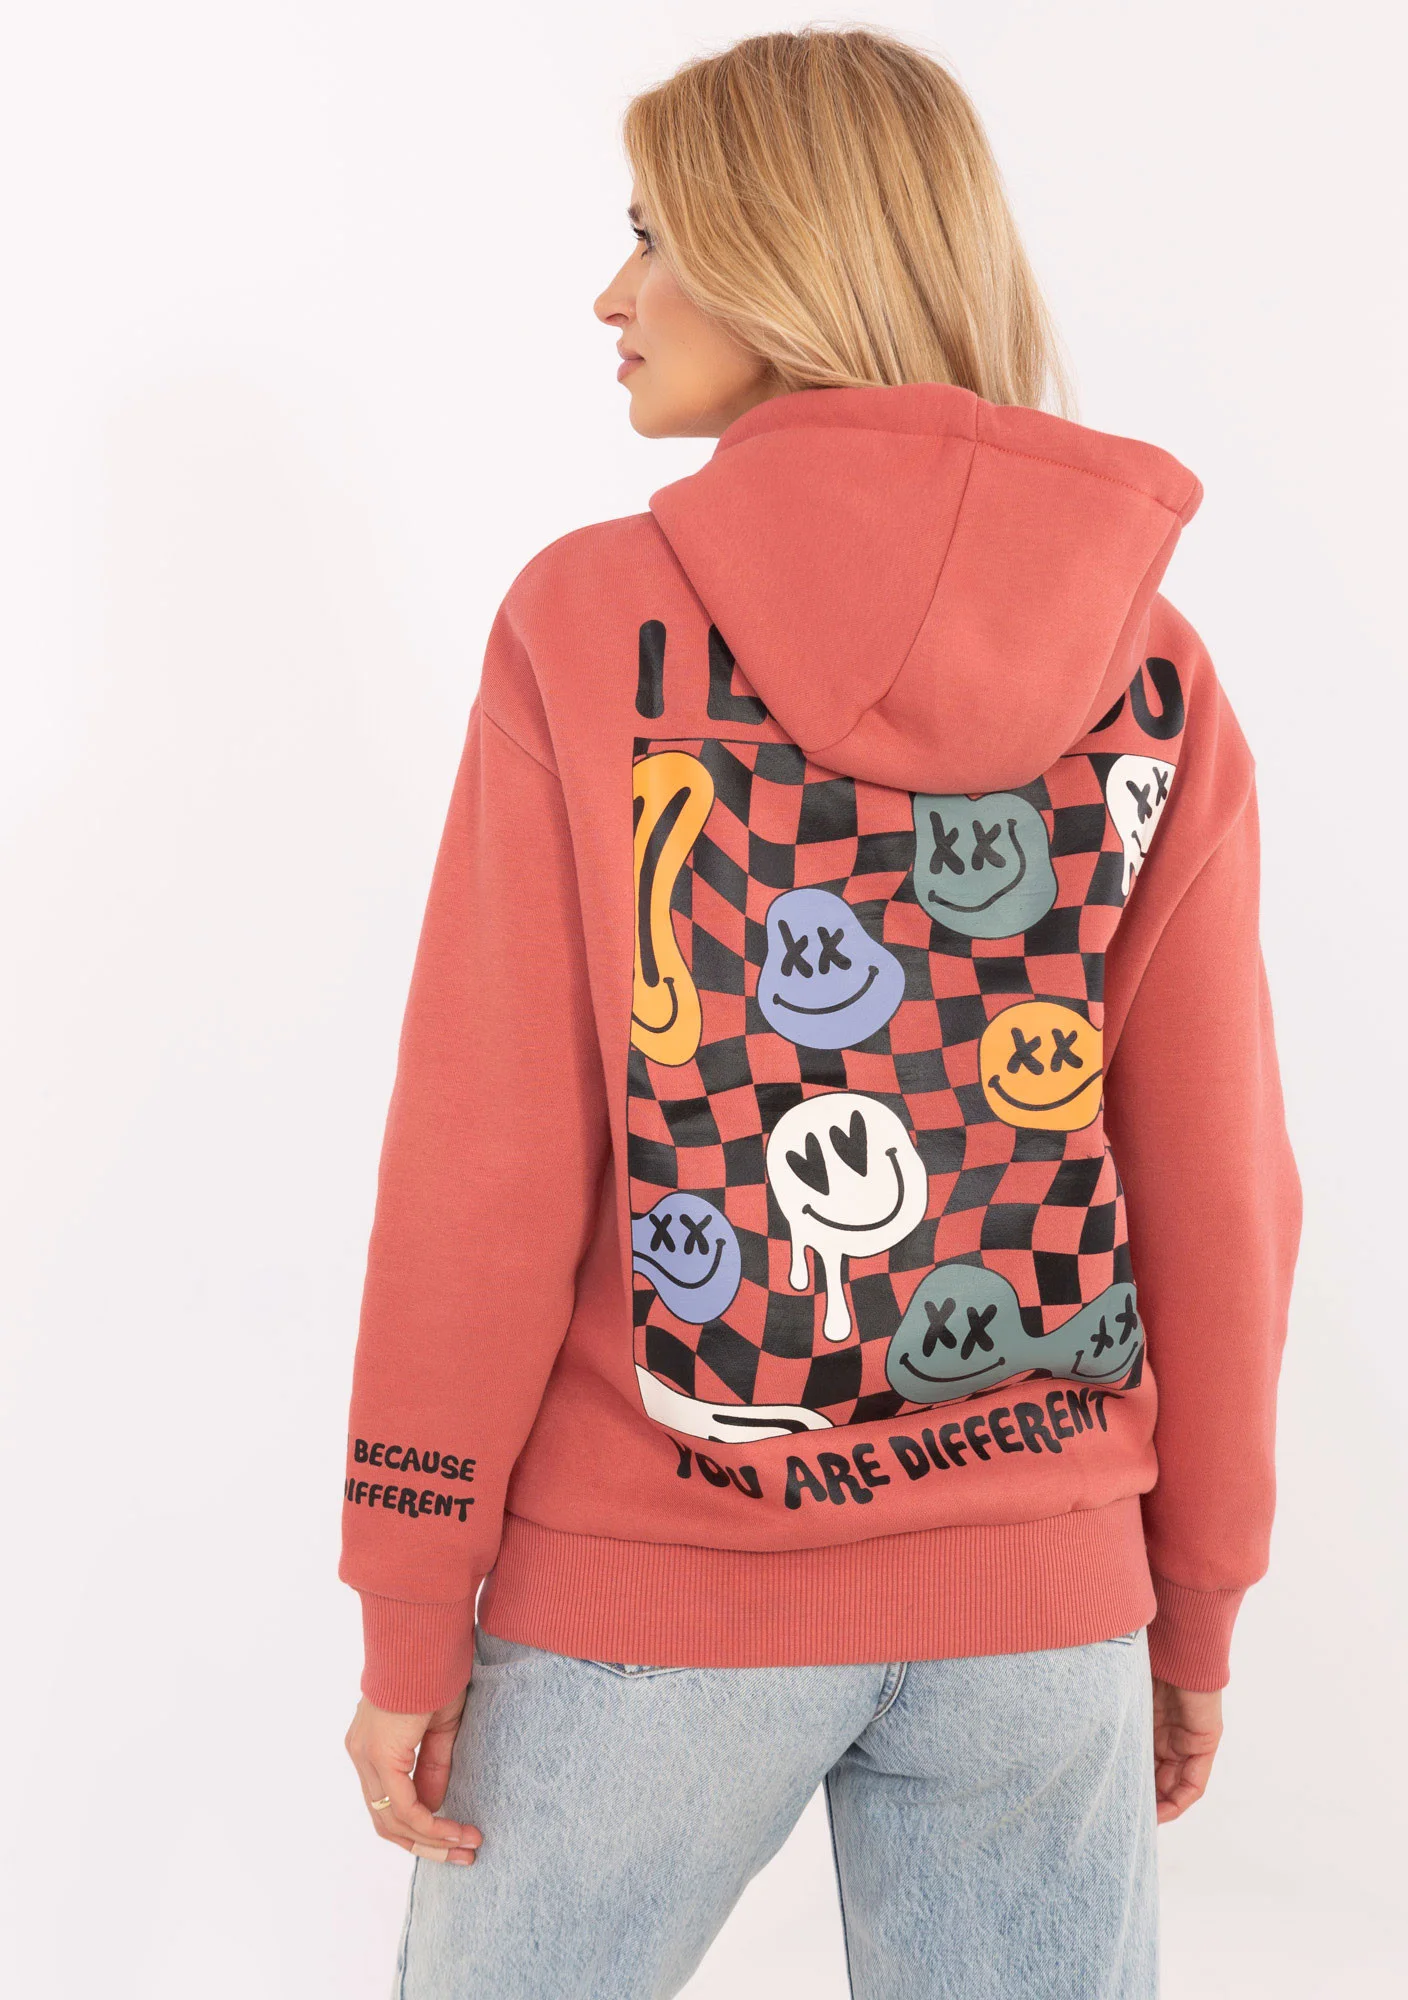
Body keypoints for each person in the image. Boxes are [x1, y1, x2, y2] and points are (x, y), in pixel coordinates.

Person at [339, 27, 1300, 1999]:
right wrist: (1192, 1592)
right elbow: (1221, 1183)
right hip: (1042, 1607)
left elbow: (486, 1162)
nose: (611, 296)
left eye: (652, 236)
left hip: (652, 1588)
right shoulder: (1154, 666)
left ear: (784, 254)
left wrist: (410, 1602)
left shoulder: (590, 625)